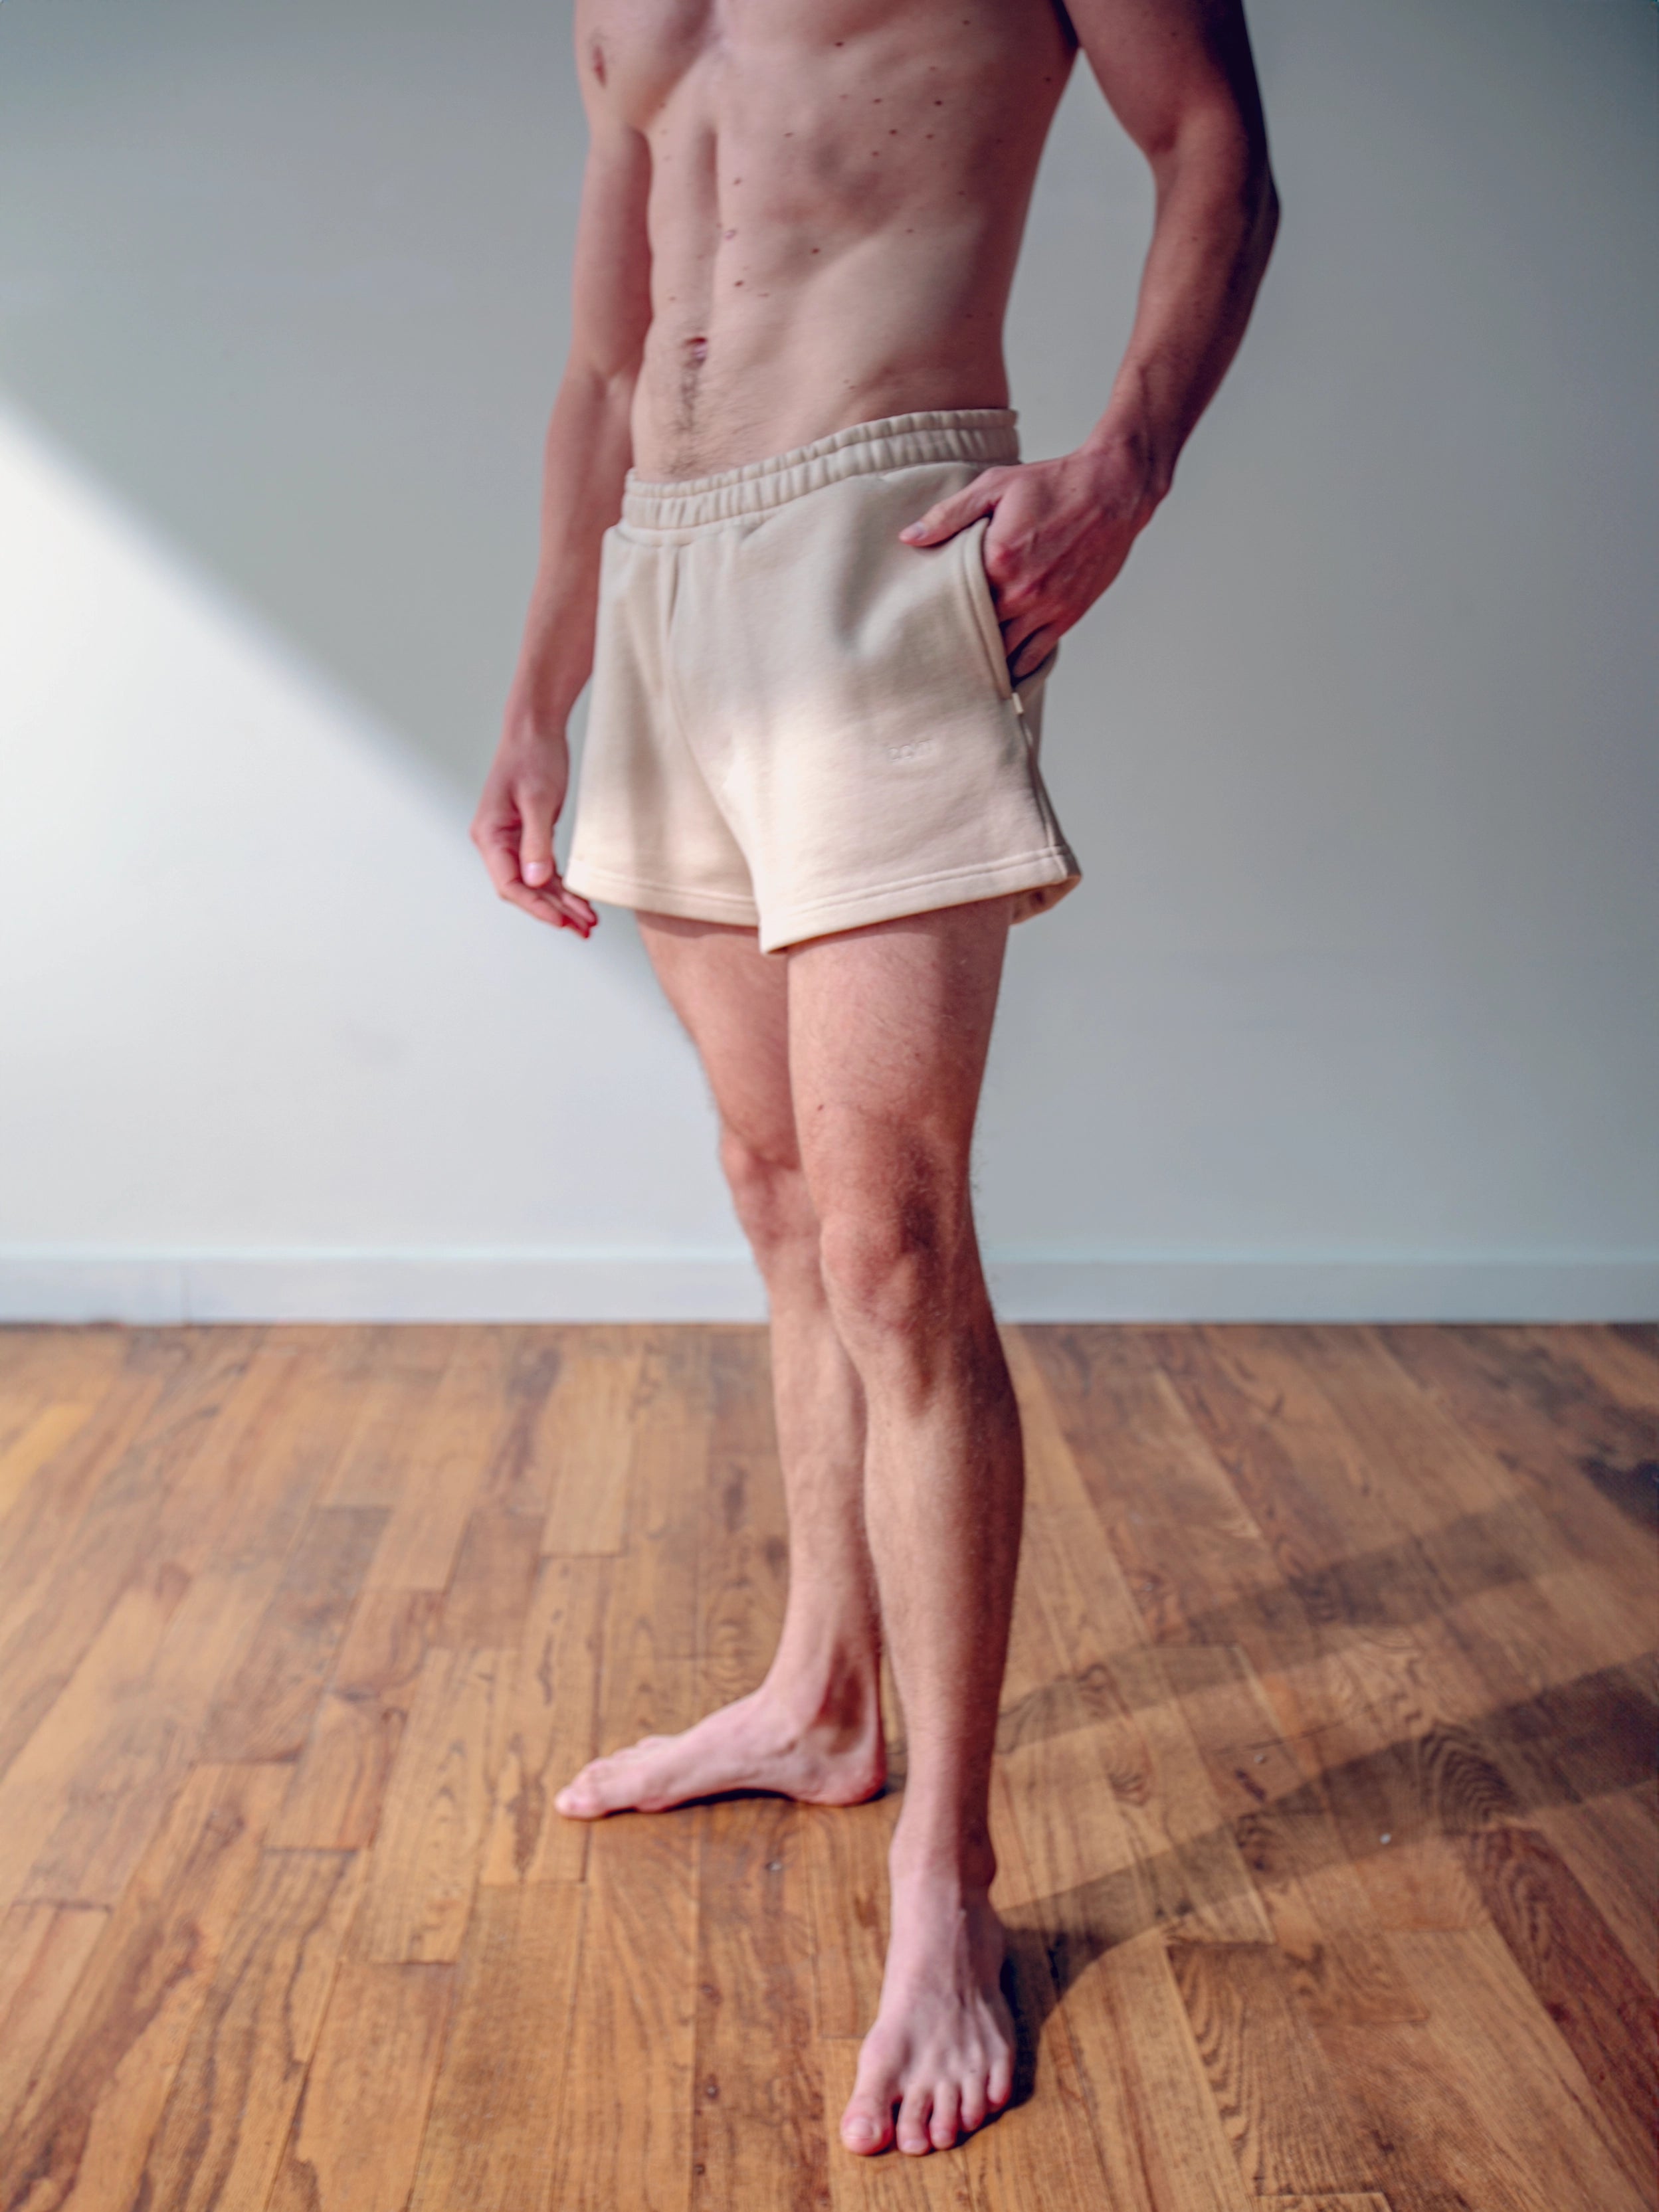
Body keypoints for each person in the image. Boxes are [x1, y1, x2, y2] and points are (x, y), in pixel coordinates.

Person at [471, 0, 1277, 2160]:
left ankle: (950, 1880)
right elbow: (605, 355)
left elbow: (1212, 140)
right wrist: (542, 682)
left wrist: (1123, 464)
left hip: (876, 537)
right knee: (774, 1190)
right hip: (660, 569)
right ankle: (823, 1694)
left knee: (897, 1245)